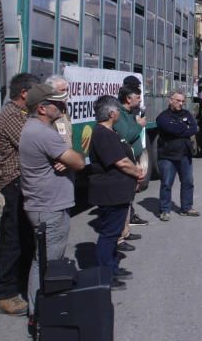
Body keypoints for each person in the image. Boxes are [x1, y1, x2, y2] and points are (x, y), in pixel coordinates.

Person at [19, 83, 85, 317]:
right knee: (47, 261)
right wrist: (70, 159)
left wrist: (66, 159)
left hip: (42, 203)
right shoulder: (43, 133)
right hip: (50, 206)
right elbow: (78, 162)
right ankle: (40, 313)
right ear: (42, 109)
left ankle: (39, 309)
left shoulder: (34, 129)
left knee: (44, 257)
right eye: (56, 103)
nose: (61, 106)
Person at [0, 72, 40, 316]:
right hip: (15, 184)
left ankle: (24, 284)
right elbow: (31, 143)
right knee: (13, 240)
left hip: (25, 183)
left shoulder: (22, 115)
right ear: (24, 93)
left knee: (26, 238)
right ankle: (6, 294)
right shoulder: (11, 115)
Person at [87, 95, 143, 290]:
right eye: (117, 110)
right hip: (110, 192)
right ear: (111, 114)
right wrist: (137, 172)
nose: (119, 113)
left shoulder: (111, 132)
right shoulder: (102, 133)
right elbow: (121, 162)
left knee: (113, 232)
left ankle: (112, 267)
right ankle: (105, 276)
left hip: (118, 191)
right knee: (109, 235)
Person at [156, 90, 199, 219]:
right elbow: (169, 129)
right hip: (168, 156)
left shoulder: (187, 114)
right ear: (170, 100)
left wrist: (180, 128)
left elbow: (194, 128)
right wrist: (184, 127)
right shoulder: (163, 117)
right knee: (166, 184)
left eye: (182, 101)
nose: (181, 103)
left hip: (185, 155)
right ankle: (165, 210)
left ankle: (186, 208)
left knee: (188, 182)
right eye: (178, 100)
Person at [115, 85, 149, 229]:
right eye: (137, 97)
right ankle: (122, 231)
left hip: (133, 158)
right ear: (128, 99)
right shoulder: (120, 114)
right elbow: (126, 136)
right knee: (125, 195)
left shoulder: (129, 113)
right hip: (126, 160)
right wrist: (139, 125)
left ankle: (126, 228)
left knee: (131, 194)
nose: (140, 99)